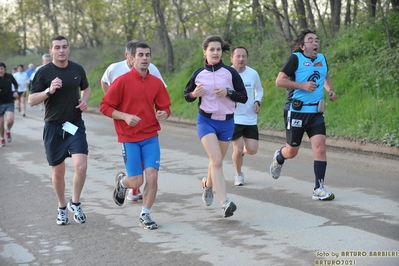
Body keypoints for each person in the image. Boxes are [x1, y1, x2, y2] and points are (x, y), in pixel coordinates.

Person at [100, 41, 171, 230]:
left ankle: (145, 215)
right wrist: (124, 116)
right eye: (141, 55)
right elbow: (105, 107)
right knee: (137, 181)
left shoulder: (156, 82)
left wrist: (164, 113)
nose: (145, 58)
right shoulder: (122, 81)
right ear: (131, 59)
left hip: (150, 136)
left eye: (148, 55)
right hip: (129, 137)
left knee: (152, 176)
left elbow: (165, 106)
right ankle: (123, 182)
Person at [29, 35, 91, 225]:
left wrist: (84, 101)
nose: (61, 50)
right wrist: (49, 91)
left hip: (74, 125)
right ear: (51, 50)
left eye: (64, 47)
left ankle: (76, 202)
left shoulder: (77, 69)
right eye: (57, 47)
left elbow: (86, 88)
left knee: (81, 165)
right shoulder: (43, 73)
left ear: (68, 49)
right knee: (58, 172)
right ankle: (62, 206)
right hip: (53, 127)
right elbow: (31, 100)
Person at [183, 35, 248, 218]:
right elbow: (186, 95)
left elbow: (243, 96)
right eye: (212, 49)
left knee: (215, 161)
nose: (215, 52)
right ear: (205, 51)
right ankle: (225, 203)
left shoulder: (230, 73)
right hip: (206, 121)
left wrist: (229, 92)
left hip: (227, 122)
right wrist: (194, 94)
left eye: (218, 49)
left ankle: (208, 186)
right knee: (217, 161)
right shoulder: (198, 74)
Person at [269, 28, 337, 201]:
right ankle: (279, 156)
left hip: (315, 112)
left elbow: (325, 75)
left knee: (320, 147)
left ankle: (318, 188)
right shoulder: (295, 58)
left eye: (317, 40)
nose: (315, 43)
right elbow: (280, 81)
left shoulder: (321, 58)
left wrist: (330, 90)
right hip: (297, 111)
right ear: (302, 45)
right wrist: (302, 85)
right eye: (311, 40)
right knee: (292, 151)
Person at [230, 46, 264, 186]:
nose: (241, 59)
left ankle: (241, 153)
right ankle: (238, 174)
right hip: (234, 117)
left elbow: (259, 90)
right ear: (232, 58)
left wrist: (257, 101)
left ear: (247, 58)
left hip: (250, 117)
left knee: (252, 149)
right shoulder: (227, 74)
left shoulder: (253, 74)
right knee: (237, 149)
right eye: (238, 56)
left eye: (243, 56)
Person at [0, 62, 19, 147]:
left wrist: (15, 91)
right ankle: (2, 138)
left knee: (10, 119)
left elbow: (15, 84)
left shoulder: (10, 76)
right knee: (1, 124)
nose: (0, 70)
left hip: (9, 102)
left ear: (4, 69)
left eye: (1, 69)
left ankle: (8, 130)